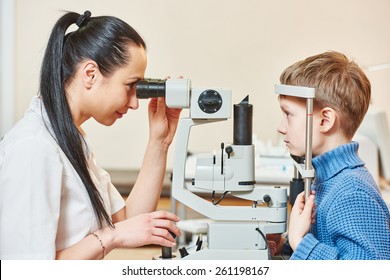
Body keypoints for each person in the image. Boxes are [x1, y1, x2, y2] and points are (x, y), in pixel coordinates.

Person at [0, 10, 182, 259]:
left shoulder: (70, 139)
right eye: (130, 86)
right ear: (90, 74)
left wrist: (159, 142)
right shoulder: (33, 147)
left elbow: (131, 220)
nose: (134, 103)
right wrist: (111, 236)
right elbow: (28, 271)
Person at [276, 51, 390, 259]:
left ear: (325, 120)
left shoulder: (352, 193)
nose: (280, 127)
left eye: (288, 114)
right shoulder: (326, 180)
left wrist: (301, 243)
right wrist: (285, 243)